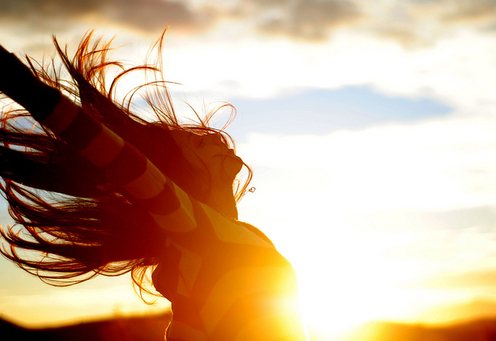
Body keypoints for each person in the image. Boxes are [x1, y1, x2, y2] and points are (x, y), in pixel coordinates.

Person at [0, 32, 307, 340]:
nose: (215, 136)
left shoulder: (237, 237)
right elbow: (118, 157)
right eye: (199, 143)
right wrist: (20, 83)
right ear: (179, 178)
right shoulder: (192, 230)